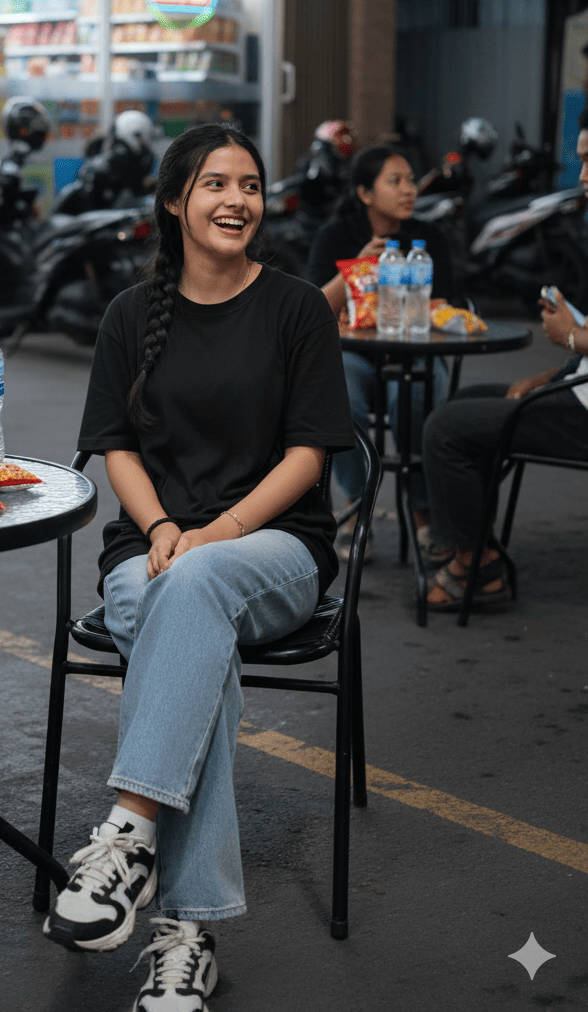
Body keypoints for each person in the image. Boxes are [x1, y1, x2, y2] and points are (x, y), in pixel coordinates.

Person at [43, 123, 354, 1010]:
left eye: (251, 185)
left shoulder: (297, 307)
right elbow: (115, 449)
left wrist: (210, 535)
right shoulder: (128, 315)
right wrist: (163, 526)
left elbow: (307, 458)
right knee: (187, 634)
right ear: (175, 202)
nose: (236, 200)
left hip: (274, 549)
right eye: (215, 183)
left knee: (193, 593)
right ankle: (189, 930)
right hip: (152, 546)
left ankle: (130, 830)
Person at [422, 119, 588, 611]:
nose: (582, 176)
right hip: (576, 391)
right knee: (467, 403)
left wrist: (573, 335)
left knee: (445, 429)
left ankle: (476, 566)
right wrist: (544, 377)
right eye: (580, 159)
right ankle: (472, 546)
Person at [306, 145, 453, 548]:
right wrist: (356, 267)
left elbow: (445, 308)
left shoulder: (430, 240)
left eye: (411, 180)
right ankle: (357, 506)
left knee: (413, 394)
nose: (409, 190)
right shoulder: (336, 236)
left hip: (415, 354)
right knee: (340, 394)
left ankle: (423, 509)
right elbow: (315, 311)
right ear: (365, 193)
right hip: (355, 354)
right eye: (396, 181)